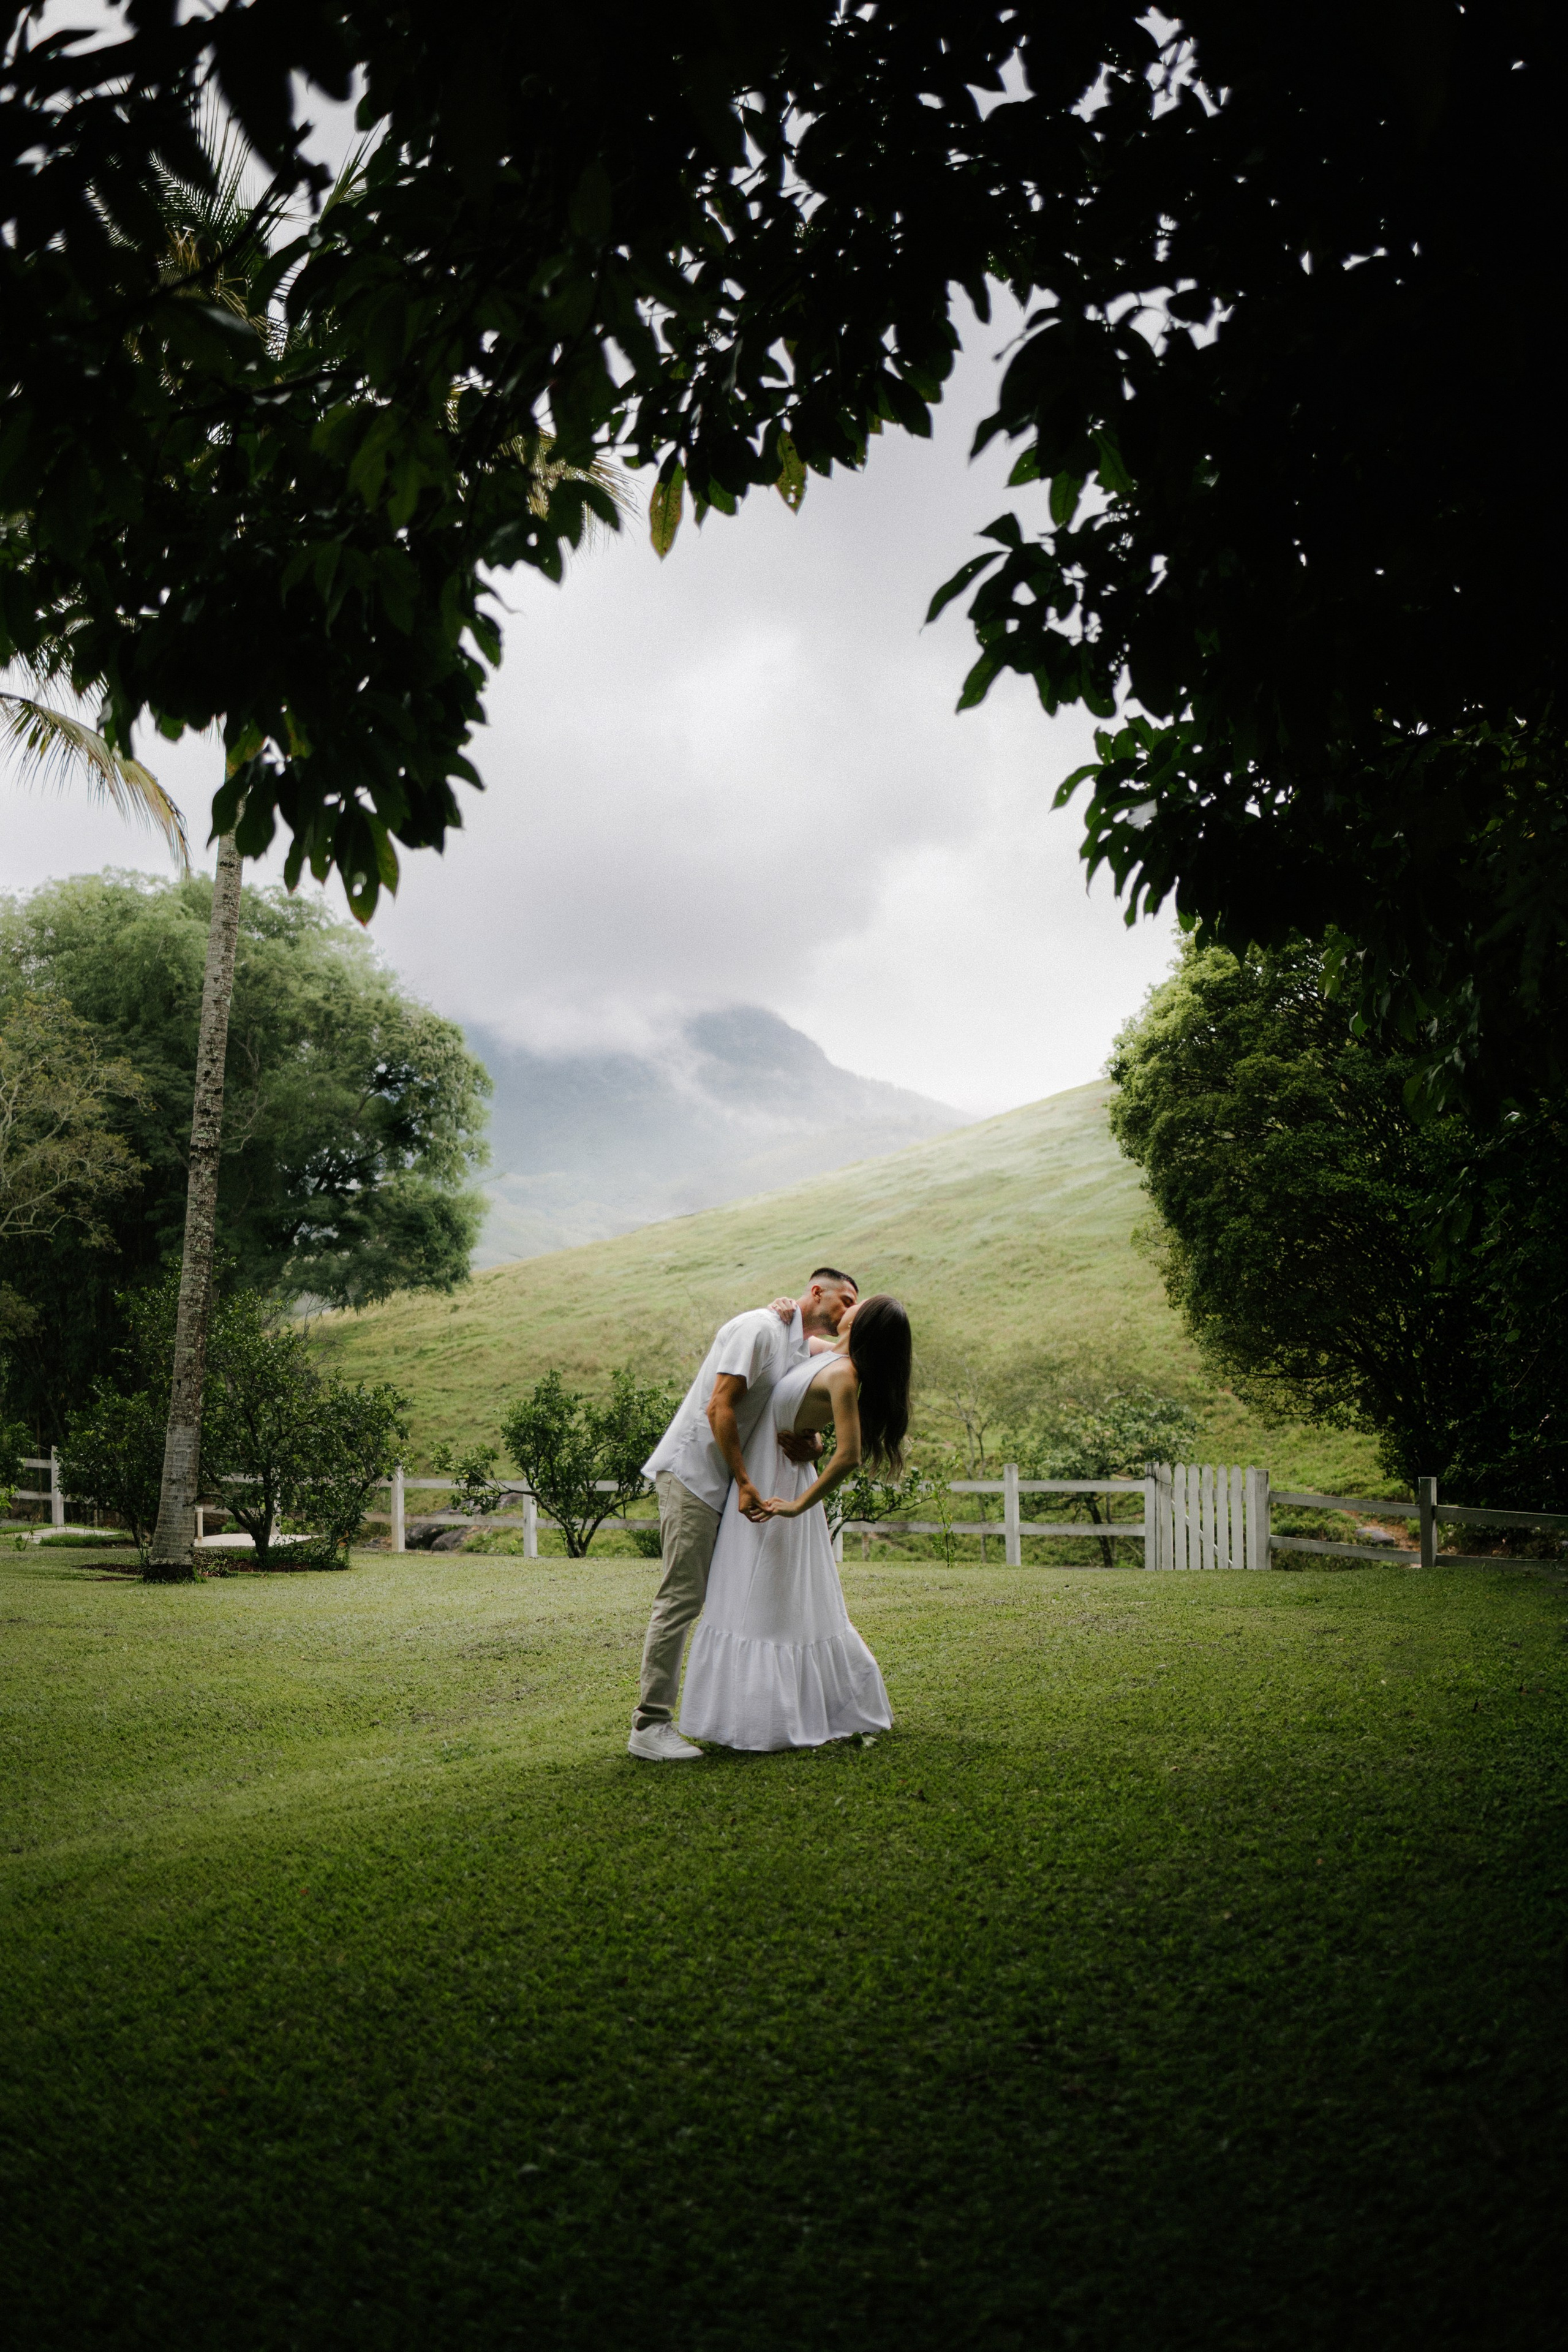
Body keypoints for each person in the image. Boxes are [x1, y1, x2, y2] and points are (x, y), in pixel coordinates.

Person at [627, 1267, 859, 1762]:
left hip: (728, 1485)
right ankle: (649, 1726)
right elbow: (719, 1408)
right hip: (695, 1476)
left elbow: (814, 1384)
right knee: (682, 1598)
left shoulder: (798, 1343)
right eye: (846, 1299)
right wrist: (747, 1481)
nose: (848, 1311)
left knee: (713, 1600)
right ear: (816, 1291)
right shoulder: (759, 1328)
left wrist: (813, 1440)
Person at [677, 1294, 910, 1753]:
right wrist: (781, 1308)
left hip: (779, 1486)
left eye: (862, 1305)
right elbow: (792, 1352)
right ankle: (744, 1716)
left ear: (868, 1325)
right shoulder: (828, 1354)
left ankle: (770, 1721)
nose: (854, 1305)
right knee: (744, 1594)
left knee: (768, 1604)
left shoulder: (846, 1374)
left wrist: (799, 1504)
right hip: (761, 1473)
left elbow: (850, 1455)